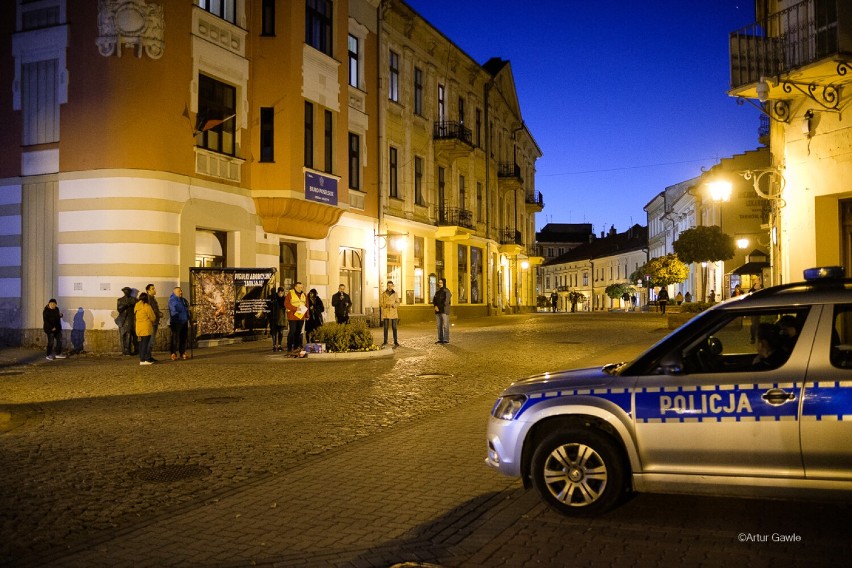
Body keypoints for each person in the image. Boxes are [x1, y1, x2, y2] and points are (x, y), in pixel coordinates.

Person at [284, 281, 308, 353]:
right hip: (292, 316)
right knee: (292, 331)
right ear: (295, 287)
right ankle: (289, 347)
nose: (300, 289)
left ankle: (296, 347)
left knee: (298, 332)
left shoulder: (304, 295)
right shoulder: (290, 293)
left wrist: (307, 315)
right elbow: (286, 304)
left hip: (301, 316)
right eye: (299, 287)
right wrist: (295, 308)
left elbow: (306, 305)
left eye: (301, 287)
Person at [168, 287, 190, 360]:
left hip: (184, 321)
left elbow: (187, 309)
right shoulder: (172, 300)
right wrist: (180, 314)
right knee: (175, 338)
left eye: (181, 291)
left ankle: (182, 352)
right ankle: (173, 353)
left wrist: (188, 316)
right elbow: (174, 310)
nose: (181, 292)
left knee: (183, 338)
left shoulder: (183, 300)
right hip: (176, 322)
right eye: (179, 291)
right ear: (174, 292)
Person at [134, 292, 157, 365]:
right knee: (145, 344)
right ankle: (144, 360)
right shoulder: (147, 306)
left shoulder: (137, 306)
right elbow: (153, 317)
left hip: (139, 327)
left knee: (141, 344)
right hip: (146, 327)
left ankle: (142, 358)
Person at [116, 287, 137, 356]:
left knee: (129, 335)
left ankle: (128, 350)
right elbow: (119, 310)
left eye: (128, 291)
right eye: (125, 291)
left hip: (130, 319)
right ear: (123, 292)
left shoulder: (134, 299)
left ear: (130, 292)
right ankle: (123, 350)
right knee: (122, 335)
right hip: (122, 320)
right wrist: (125, 306)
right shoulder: (120, 300)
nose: (126, 292)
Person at [380, 281, 400, 347]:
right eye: (388, 285)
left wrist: (394, 305)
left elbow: (398, 303)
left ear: (392, 286)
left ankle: (395, 341)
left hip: (393, 312)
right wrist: (385, 305)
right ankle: (385, 341)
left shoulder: (395, 294)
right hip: (386, 312)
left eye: (391, 285)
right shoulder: (383, 294)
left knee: (394, 327)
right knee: (385, 327)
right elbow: (381, 303)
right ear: (387, 286)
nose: (390, 287)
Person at [432, 278, 452, 344]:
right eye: (439, 282)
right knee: (439, 325)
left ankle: (446, 339)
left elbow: (446, 301)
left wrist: (439, 307)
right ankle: (440, 339)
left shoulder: (447, 291)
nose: (440, 284)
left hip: (444, 310)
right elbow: (434, 299)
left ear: (444, 283)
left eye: (441, 282)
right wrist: (435, 306)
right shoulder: (437, 291)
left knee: (445, 325)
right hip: (437, 311)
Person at [145, 284, 161, 361]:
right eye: (152, 289)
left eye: (154, 288)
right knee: (150, 340)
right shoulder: (148, 299)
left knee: (151, 340)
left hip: (155, 321)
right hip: (151, 322)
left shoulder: (152, 298)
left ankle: (149, 356)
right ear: (148, 290)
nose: (155, 290)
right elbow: (150, 310)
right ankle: (147, 357)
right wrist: (158, 314)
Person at [269, 286, 287, 351]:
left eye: (282, 293)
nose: (281, 294)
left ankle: (279, 345)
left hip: (281, 318)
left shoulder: (284, 299)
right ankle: (274, 345)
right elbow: (271, 308)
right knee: (274, 332)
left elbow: (285, 308)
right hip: (274, 318)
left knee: (280, 332)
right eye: (280, 292)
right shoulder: (274, 299)